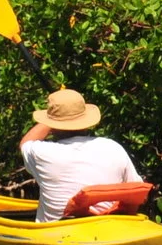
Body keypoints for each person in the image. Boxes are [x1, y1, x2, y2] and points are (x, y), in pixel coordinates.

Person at [20, 88, 143, 222]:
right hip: (109, 230)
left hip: (57, 233)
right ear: (86, 122)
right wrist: (67, 115)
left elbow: (25, 143)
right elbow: (136, 192)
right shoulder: (112, 147)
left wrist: (54, 117)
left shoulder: (41, 152)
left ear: (53, 126)